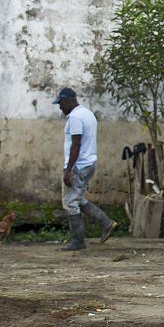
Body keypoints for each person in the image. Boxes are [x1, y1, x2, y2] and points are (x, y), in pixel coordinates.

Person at [55, 87, 117, 251]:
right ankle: (106, 222)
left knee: (70, 202)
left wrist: (68, 170)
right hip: (89, 163)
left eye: (61, 103)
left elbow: (76, 145)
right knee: (78, 198)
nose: (60, 107)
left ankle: (78, 241)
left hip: (78, 165)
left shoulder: (74, 117)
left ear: (68, 101)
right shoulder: (88, 114)